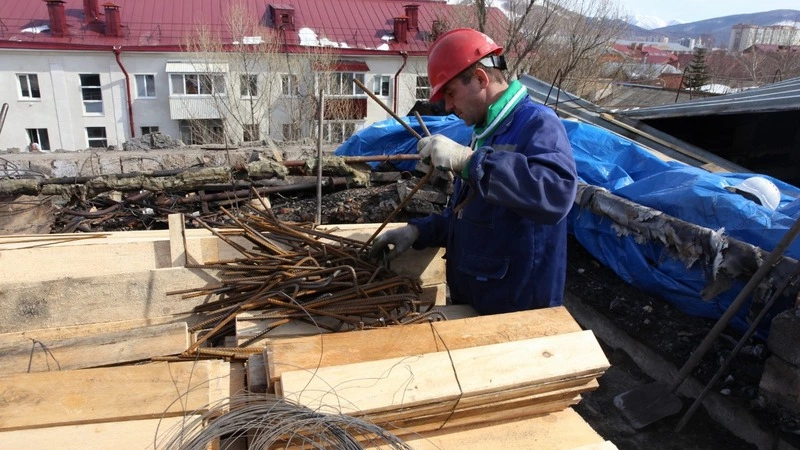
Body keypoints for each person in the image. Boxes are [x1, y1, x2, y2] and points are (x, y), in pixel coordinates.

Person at [369, 28, 578, 314]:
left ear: (480, 78)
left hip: (518, 312)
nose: (449, 106)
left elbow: (556, 194)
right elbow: (473, 215)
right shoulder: (486, 132)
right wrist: (418, 231)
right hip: (480, 301)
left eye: (451, 93)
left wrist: (470, 162)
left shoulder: (538, 124)